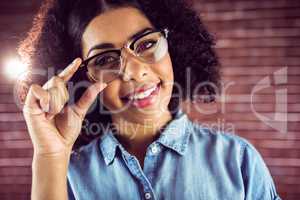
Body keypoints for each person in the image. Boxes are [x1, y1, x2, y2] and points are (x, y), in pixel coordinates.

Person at [18, 0, 282, 199]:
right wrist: (50, 156)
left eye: (146, 44)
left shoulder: (239, 161)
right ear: (81, 80)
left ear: (173, 44)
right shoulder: (64, 175)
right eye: (105, 59)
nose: (135, 71)